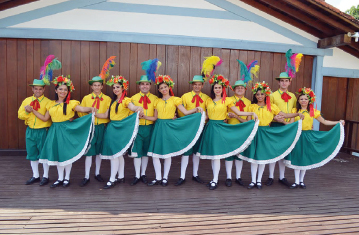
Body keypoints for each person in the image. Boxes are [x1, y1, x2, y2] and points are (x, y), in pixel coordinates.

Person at [30, 76, 96, 188]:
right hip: (54, 131)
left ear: (68, 92)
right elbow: (45, 118)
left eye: (65, 90)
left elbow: (82, 109)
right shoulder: (51, 104)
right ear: (56, 90)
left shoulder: (71, 103)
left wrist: (91, 108)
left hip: (66, 130)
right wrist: (33, 110)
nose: (63, 91)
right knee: (58, 154)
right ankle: (60, 178)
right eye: (60, 89)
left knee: (66, 154)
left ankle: (67, 178)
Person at [196, 74, 259, 190]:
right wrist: (196, 119)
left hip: (221, 128)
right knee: (213, 155)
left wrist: (251, 114)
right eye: (215, 88)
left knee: (218, 155)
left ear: (223, 89)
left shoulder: (227, 101)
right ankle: (214, 179)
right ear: (213, 89)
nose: (217, 90)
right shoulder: (209, 101)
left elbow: (239, 113)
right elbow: (206, 116)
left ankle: (217, 179)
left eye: (219, 88)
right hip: (210, 128)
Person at [237, 82, 304, 190]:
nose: (260, 96)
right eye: (258, 94)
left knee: (262, 156)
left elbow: (285, 115)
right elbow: (248, 121)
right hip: (255, 132)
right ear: (255, 95)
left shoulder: (271, 107)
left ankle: (259, 181)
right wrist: (236, 116)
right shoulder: (252, 106)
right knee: (254, 157)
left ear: (266, 95)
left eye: (262, 94)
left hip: (266, 133)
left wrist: (297, 114)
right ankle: (253, 180)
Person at [147, 75, 205, 187]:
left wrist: (197, 109)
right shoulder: (157, 101)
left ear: (169, 87)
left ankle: (165, 178)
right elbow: (154, 117)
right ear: (158, 90)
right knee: (155, 154)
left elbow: (186, 112)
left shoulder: (175, 99)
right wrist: (143, 117)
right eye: (161, 88)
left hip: (169, 127)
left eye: (165, 87)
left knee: (167, 153)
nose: (163, 89)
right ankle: (158, 177)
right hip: (158, 127)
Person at [283, 87, 345, 189]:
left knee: (305, 158)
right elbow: (290, 124)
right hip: (297, 136)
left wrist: (337, 122)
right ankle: (296, 181)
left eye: (305, 99)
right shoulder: (295, 111)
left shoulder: (313, 111)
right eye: (301, 99)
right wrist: (282, 121)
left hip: (308, 136)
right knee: (297, 157)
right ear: (298, 101)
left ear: (309, 101)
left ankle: (301, 181)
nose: (303, 101)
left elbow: (324, 122)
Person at [96, 76, 142, 189]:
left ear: (123, 88)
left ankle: (112, 179)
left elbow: (132, 107)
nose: (115, 89)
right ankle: (120, 176)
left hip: (121, 129)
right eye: (114, 87)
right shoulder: (113, 102)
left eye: (118, 87)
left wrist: (137, 108)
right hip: (112, 129)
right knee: (117, 154)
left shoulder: (126, 100)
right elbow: (105, 116)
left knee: (115, 154)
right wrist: (93, 113)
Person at [267, 49, 303, 187]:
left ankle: (282, 177)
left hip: (288, 127)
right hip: (276, 125)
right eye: (281, 81)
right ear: (279, 82)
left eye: (286, 81)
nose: (283, 83)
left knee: (284, 151)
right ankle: (270, 176)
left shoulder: (294, 96)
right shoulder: (272, 95)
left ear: (289, 82)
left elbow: (295, 111)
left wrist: (291, 122)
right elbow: (270, 111)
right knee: (273, 151)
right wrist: (279, 119)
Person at [78, 57, 114, 187]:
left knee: (99, 151)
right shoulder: (86, 98)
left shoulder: (107, 99)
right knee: (89, 152)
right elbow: (81, 112)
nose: (97, 87)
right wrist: (88, 114)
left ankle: (97, 173)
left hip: (102, 127)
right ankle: (86, 175)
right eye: (94, 85)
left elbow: (108, 116)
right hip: (90, 127)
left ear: (102, 86)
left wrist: (96, 114)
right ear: (91, 86)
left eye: (99, 85)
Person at [175, 75, 210, 186]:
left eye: (199, 84)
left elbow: (209, 112)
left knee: (196, 152)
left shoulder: (206, 98)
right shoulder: (185, 97)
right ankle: (182, 176)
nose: (197, 86)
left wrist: (204, 119)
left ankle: (195, 174)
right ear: (192, 85)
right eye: (195, 84)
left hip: (200, 127)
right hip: (188, 127)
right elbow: (181, 112)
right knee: (186, 151)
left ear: (202, 85)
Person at [18, 79, 52, 186]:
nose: (38, 91)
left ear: (44, 89)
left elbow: (47, 117)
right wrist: (27, 112)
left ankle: (46, 176)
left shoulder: (48, 102)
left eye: (40, 89)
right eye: (36, 89)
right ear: (32, 89)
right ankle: (36, 175)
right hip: (30, 131)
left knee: (44, 154)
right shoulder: (27, 101)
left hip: (43, 131)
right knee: (32, 153)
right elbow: (20, 115)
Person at [128, 75, 158, 186]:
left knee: (145, 152)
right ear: (139, 85)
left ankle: (143, 173)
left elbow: (157, 114)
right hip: (137, 128)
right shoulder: (133, 98)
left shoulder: (155, 98)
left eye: (147, 84)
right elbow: (129, 113)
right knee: (137, 152)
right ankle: (137, 175)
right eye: (142, 84)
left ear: (150, 85)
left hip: (150, 128)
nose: (144, 86)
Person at [225, 80, 252, 187]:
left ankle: (238, 177)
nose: (240, 89)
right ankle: (228, 177)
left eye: (242, 88)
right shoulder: (228, 100)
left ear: (245, 89)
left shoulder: (249, 102)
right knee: (229, 153)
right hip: (230, 129)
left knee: (239, 154)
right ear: (233, 89)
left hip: (242, 130)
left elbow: (248, 120)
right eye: (237, 88)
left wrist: (237, 117)